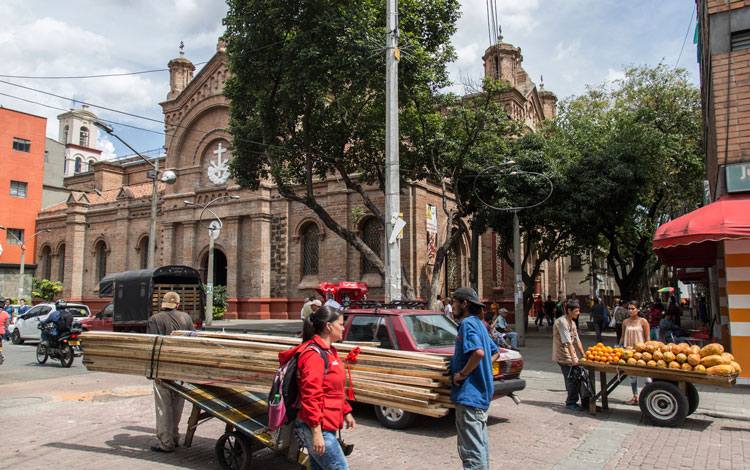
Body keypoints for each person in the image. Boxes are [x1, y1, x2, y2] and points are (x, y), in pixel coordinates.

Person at [281, 305, 355, 470]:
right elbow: (310, 395)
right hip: (316, 427)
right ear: (329, 326)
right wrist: (316, 433)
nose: (344, 328)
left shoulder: (330, 352)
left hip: (328, 425)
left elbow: (334, 388)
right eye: (341, 324)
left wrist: (346, 411)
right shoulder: (313, 356)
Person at [450, 287, 499, 470]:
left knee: (471, 452)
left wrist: (462, 374)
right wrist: (478, 367)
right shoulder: (479, 324)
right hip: (480, 394)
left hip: (470, 394)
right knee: (480, 447)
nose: (452, 306)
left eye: (455, 302)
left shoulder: (468, 324)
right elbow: (493, 354)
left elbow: (478, 353)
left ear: (464, 304)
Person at [147, 291, 195, 452]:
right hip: (181, 369)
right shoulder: (186, 318)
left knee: (163, 407)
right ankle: (174, 436)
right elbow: (193, 340)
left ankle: (165, 443)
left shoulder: (155, 319)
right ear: (177, 304)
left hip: (163, 368)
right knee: (177, 404)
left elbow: (151, 345)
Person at [552, 299, 589, 411]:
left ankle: (585, 401)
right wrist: (573, 358)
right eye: (576, 311)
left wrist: (583, 355)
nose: (578, 313)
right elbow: (567, 341)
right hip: (563, 355)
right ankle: (570, 402)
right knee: (571, 378)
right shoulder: (561, 322)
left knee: (580, 377)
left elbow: (577, 340)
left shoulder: (572, 323)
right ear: (569, 310)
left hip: (571, 354)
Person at [622, 301, 651, 405]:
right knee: (632, 376)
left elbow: (647, 337)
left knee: (646, 376)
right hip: (629, 351)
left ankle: (648, 397)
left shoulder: (643, 322)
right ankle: (635, 396)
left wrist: (647, 351)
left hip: (641, 351)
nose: (630, 311)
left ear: (638, 309)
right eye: (629, 308)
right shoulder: (625, 322)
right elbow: (622, 336)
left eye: (633, 308)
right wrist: (619, 348)